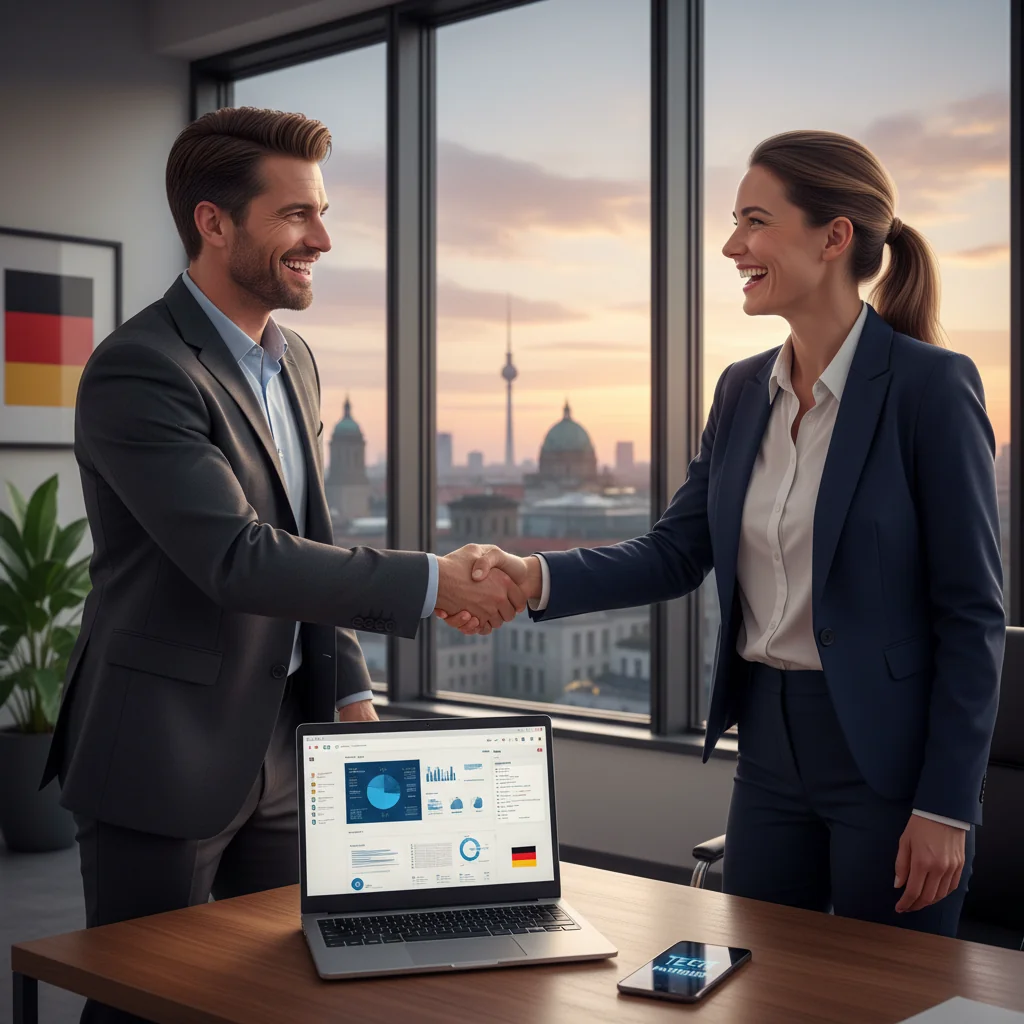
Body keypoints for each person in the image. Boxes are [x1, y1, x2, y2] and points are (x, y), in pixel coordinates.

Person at [455, 130, 1004, 937]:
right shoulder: (742, 389)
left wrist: (947, 805)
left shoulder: (930, 387)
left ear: (834, 236)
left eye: (754, 220)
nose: (730, 244)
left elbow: (972, 614)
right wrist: (533, 575)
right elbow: (677, 551)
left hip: (889, 759)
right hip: (769, 748)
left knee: (883, 998)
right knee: (760, 982)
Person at [41, 107, 523, 1024]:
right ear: (214, 222)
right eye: (297, 214)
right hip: (164, 748)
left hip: (287, 750)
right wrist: (431, 581)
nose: (324, 238)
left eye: (323, 212)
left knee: (288, 993)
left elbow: (311, 532)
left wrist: (346, 692)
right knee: (149, 1002)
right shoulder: (138, 369)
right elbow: (238, 558)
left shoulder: (291, 360)